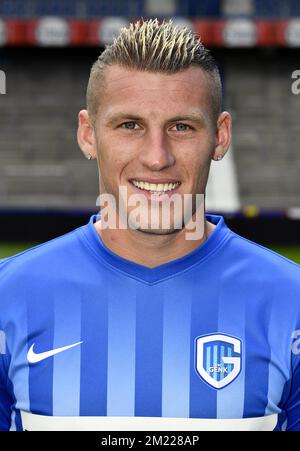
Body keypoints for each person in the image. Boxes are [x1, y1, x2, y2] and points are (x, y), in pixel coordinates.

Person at [1, 19, 300, 432]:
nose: (157, 158)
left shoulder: (292, 303)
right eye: (130, 125)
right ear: (88, 135)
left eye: (181, 126)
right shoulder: (7, 298)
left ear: (220, 137)